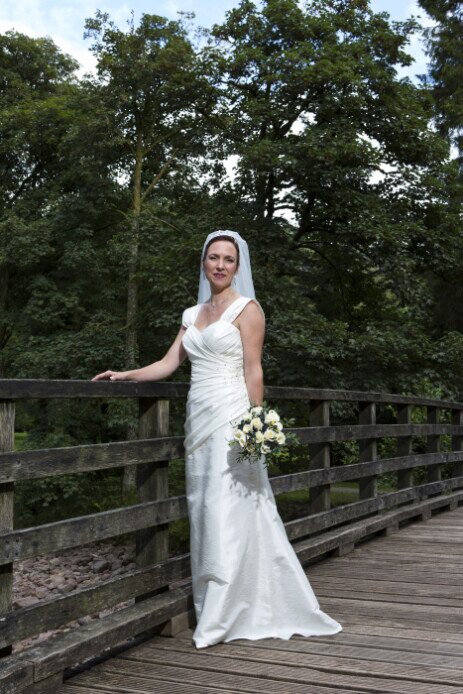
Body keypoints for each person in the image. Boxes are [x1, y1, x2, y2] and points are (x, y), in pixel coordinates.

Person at [92, 229, 342, 648]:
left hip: (232, 416)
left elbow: (254, 371)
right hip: (198, 419)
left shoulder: (248, 310)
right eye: (214, 258)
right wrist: (124, 374)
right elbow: (169, 364)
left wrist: (257, 424)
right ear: (204, 263)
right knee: (205, 506)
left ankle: (234, 609)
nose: (221, 265)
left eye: (228, 259)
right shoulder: (192, 314)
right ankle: (216, 603)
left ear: (237, 266)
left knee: (233, 507)